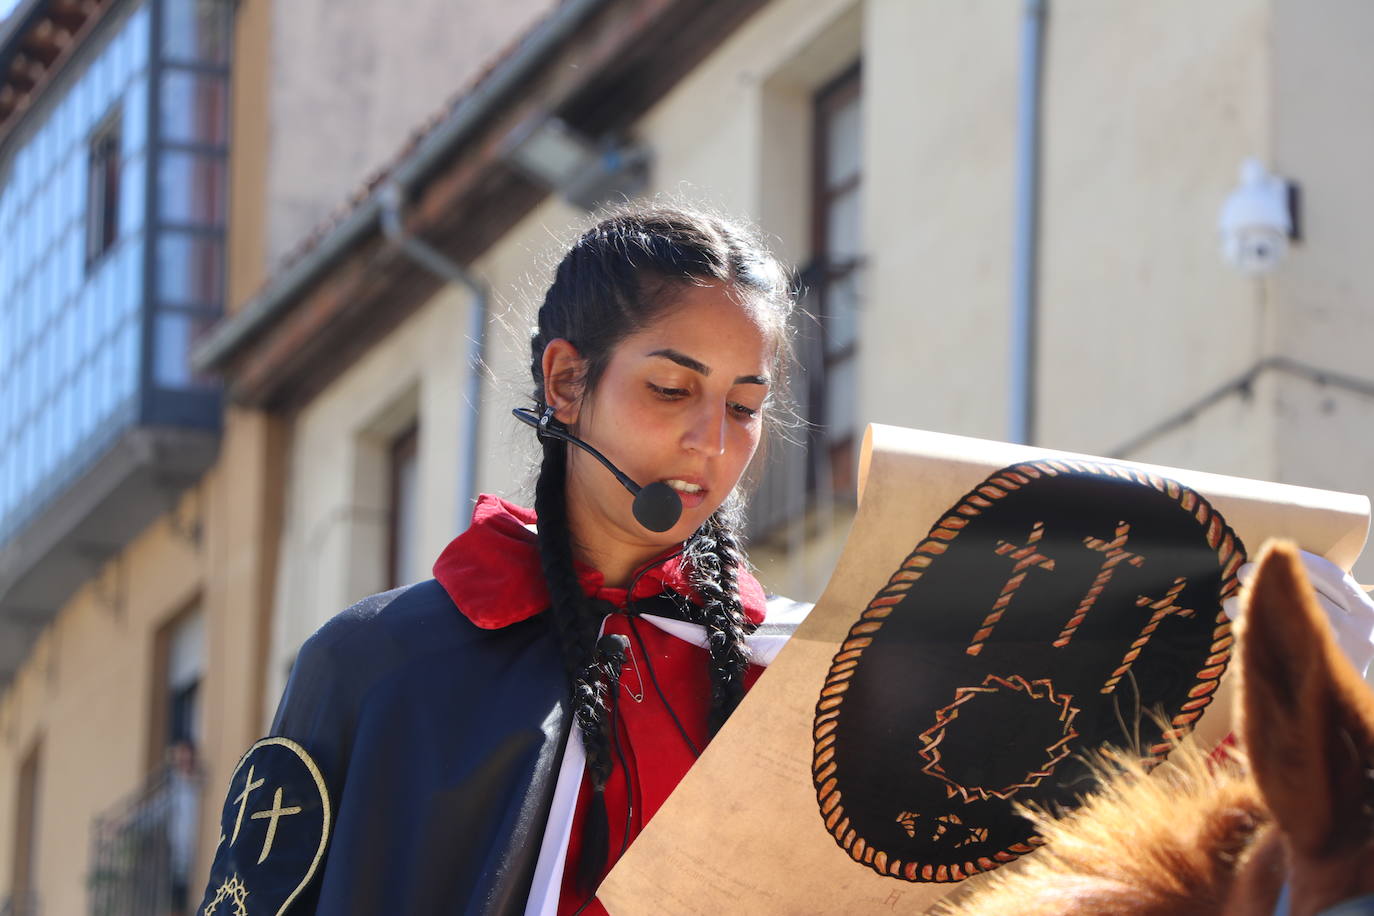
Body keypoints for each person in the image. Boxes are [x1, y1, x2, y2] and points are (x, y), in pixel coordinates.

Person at [197, 204, 810, 915]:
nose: (711, 439)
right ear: (566, 382)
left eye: (743, 407)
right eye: (672, 390)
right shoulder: (375, 665)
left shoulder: (801, 679)